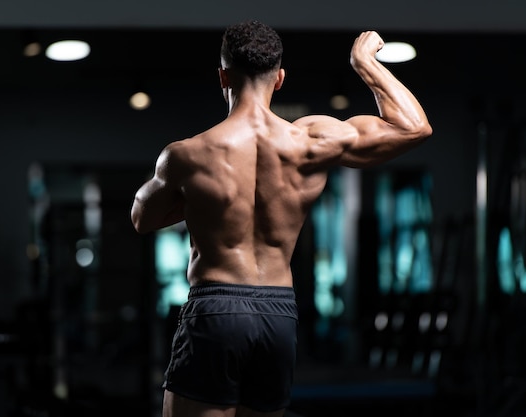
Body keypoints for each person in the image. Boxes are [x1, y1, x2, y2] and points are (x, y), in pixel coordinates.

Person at [131, 20, 432, 417]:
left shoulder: (187, 155)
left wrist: (200, 200)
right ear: (280, 79)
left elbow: (142, 218)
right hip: (278, 314)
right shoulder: (313, 141)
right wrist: (365, 64)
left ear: (222, 76)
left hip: (217, 307)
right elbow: (415, 127)